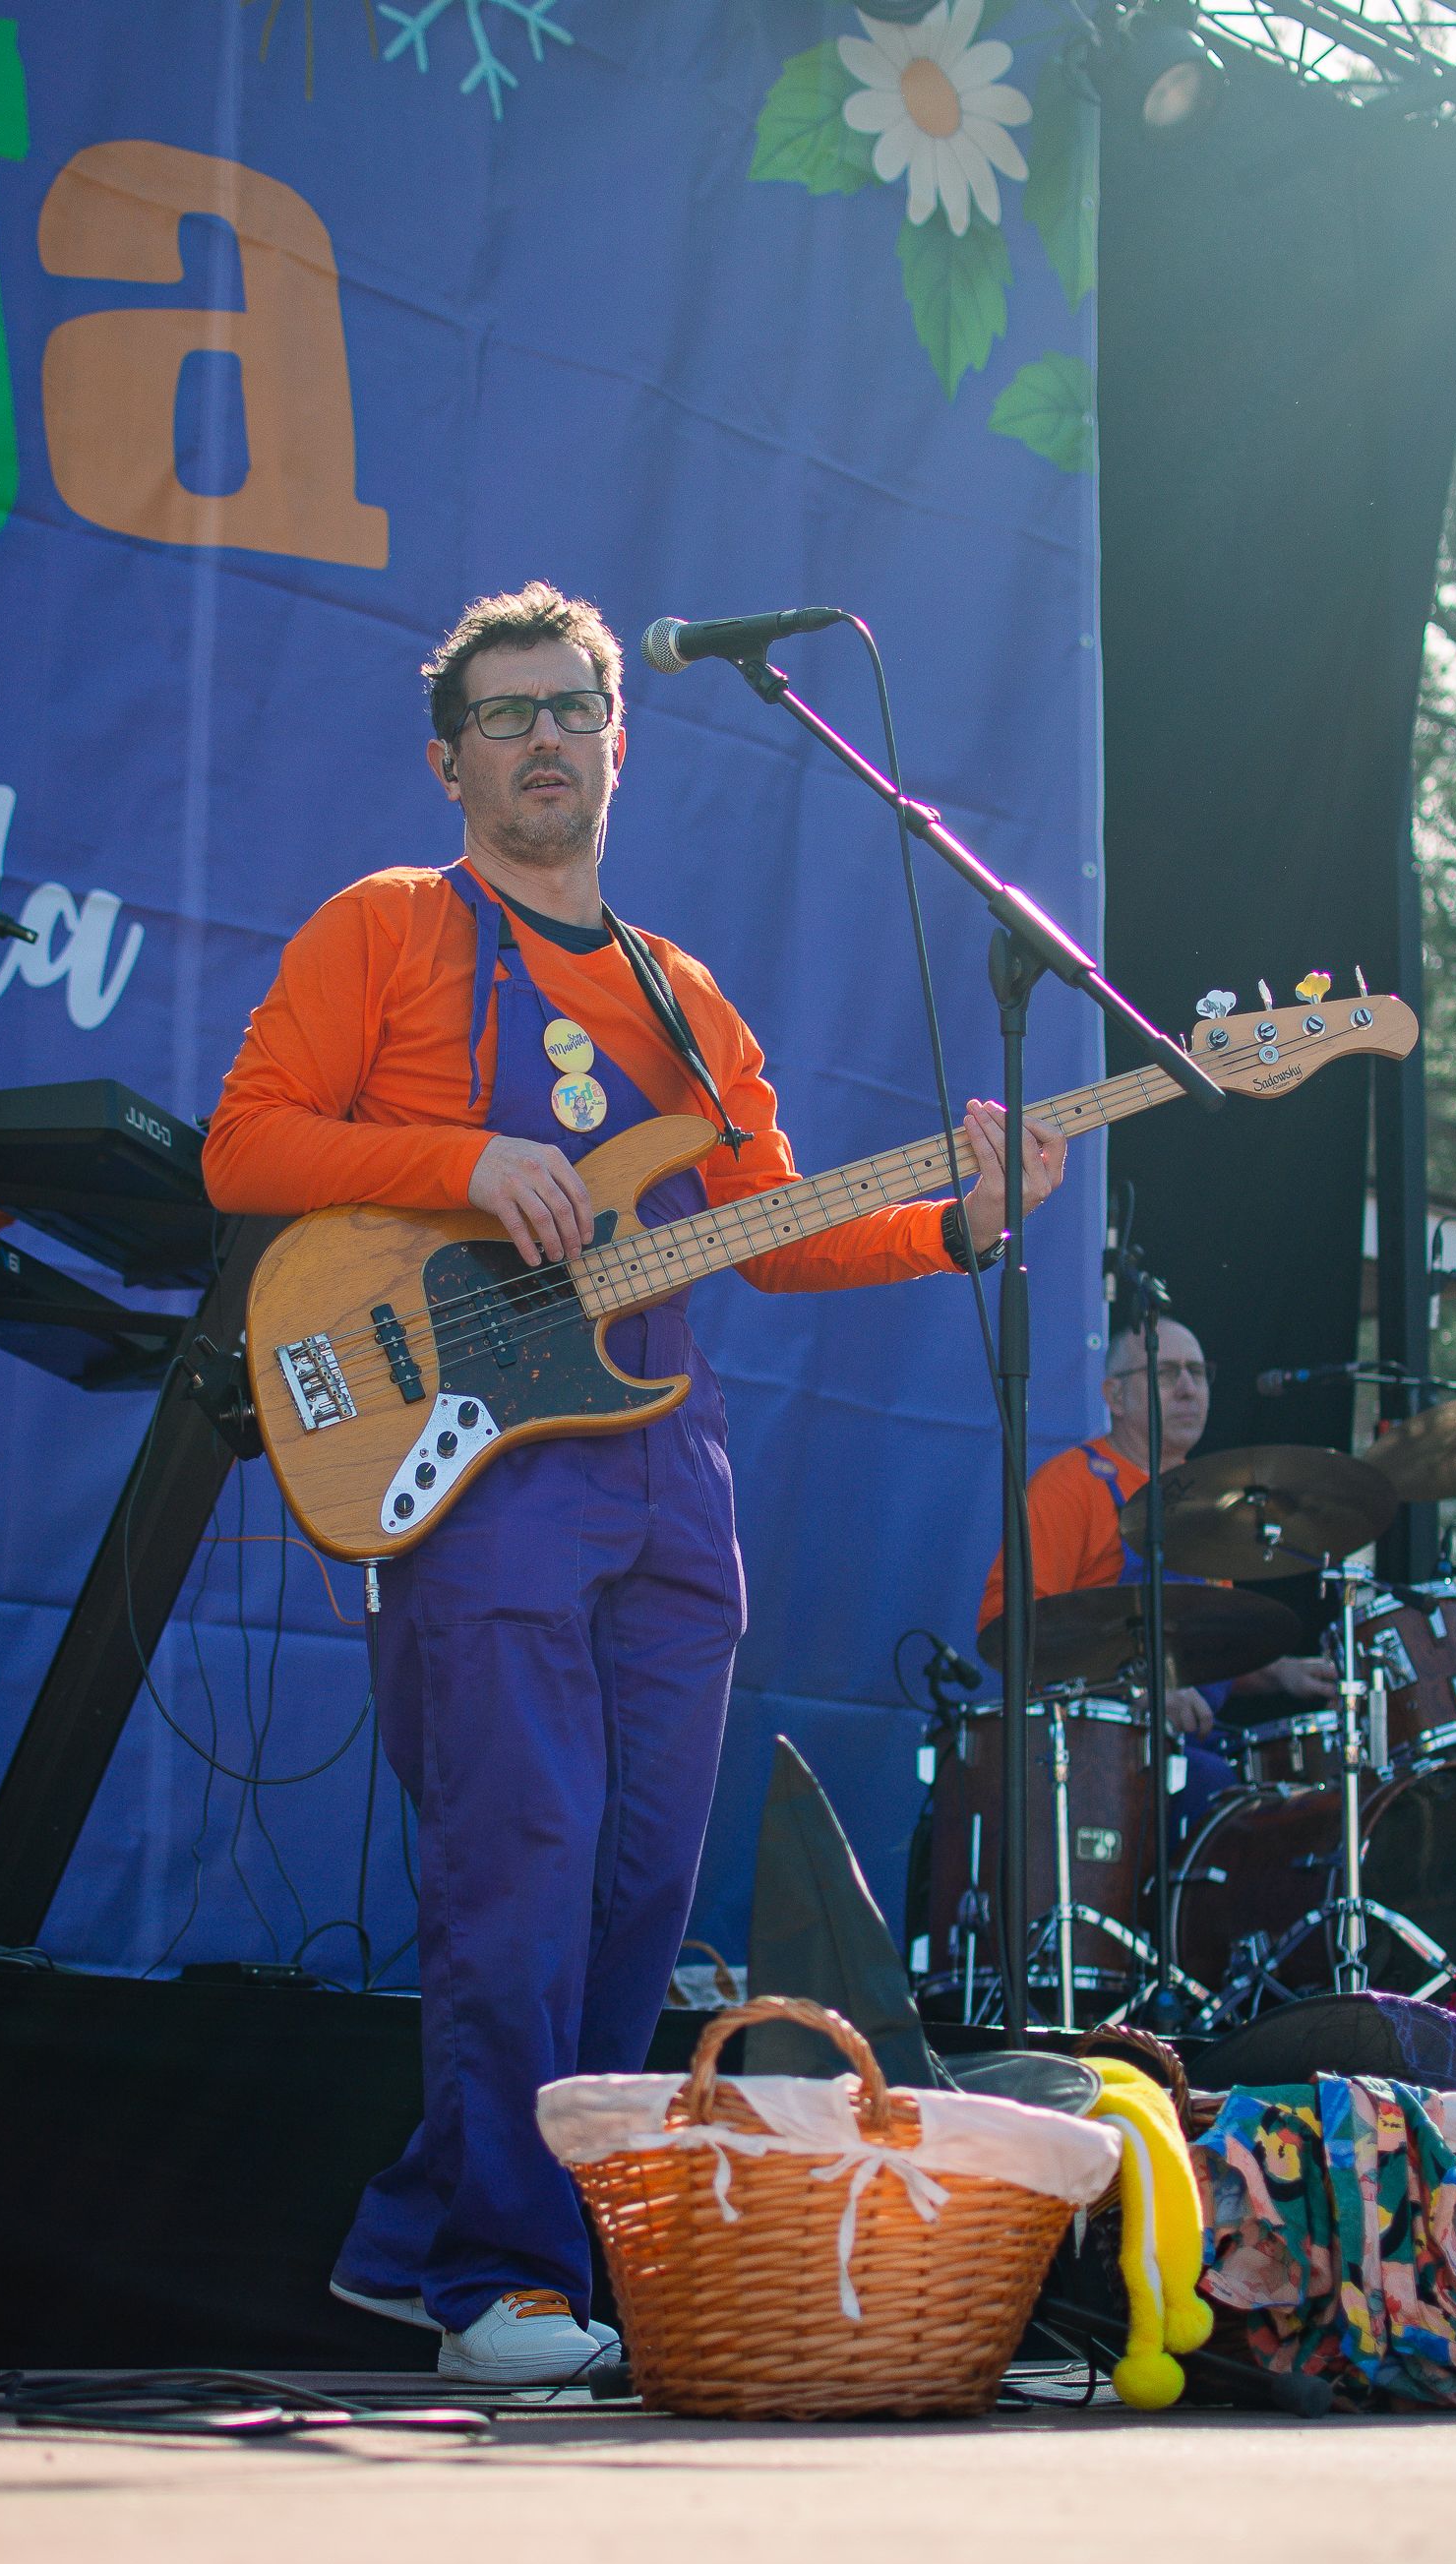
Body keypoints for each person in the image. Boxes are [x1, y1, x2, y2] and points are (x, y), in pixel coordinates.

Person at [203, 580, 1068, 2381]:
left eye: (573, 709)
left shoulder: (688, 997)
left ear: (623, 744)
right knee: (517, 1858)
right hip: (487, 1458)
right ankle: (495, 2282)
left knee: (643, 1883)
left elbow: (776, 1236)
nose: (544, 738)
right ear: (448, 762)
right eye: (506, 714)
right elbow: (244, 1147)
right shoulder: (388, 925)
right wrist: (464, 1163)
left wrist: (962, 1223)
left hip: (672, 1457)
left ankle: (443, 2239)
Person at [977, 1314, 1334, 1811]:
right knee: (1219, 1793)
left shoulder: (1210, 1505)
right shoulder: (1070, 1485)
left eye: (1198, 1372)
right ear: (1115, 1397)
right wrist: (1136, 1689)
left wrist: (1281, 1673)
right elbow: (1008, 1627)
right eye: (1166, 1373)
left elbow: (1204, 1653)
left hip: (1188, 1743)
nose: (1188, 1388)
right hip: (1091, 1755)